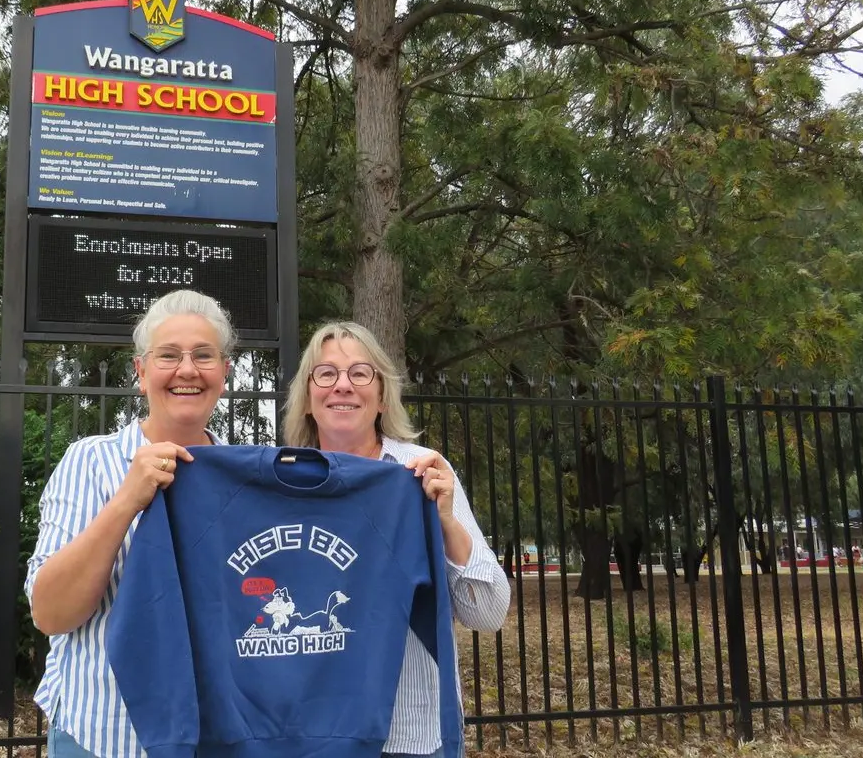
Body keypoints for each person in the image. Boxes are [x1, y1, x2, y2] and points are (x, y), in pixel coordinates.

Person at [282, 321, 511, 758]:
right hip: (309, 732)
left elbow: (489, 612)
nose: (342, 386)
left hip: (409, 733)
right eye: (326, 374)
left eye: (360, 374)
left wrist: (446, 523)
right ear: (308, 398)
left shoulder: (423, 472)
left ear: (383, 394)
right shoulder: (284, 483)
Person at [26, 290, 235, 758]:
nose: (187, 370)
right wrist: (125, 502)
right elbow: (50, 613)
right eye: (168, 356)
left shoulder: (246, 478)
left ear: (225, 372)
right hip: (104, 733)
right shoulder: (91, 461)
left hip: (217, 734)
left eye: (203, 355)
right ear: (141, 374)